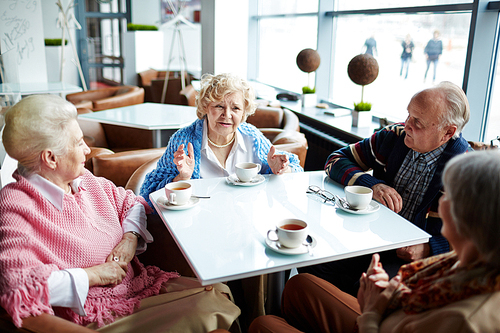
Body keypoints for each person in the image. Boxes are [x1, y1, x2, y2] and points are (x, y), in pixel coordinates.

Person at [0, 95, 240, 332]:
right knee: (210, 307)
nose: (87, 150)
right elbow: (18, 287)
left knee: (219, 290)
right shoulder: (16, 204)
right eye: (78, 142)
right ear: (50, 158)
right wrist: (93, 275)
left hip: (136, 288)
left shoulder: (84, 180)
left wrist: (129, 238)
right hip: (97, 314)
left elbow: (131, 203)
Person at [249, 149, 500, 333]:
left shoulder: (467, 322)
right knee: (299, 284)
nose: (442, 203)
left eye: (450, 196)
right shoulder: (472, 257)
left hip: (374, 324)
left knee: (262, 324)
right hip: (387, 317)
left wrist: (371, 311)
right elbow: (337, 159)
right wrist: (387, 294)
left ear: (470, 219)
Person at [298, 81, 471, 296]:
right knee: (310, 261)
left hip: (415, 260)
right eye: (408, 115)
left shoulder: (468, 173)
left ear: (448, 132)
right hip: (371, 240)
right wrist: (373, 185)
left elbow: (477, 240)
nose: (407, 124)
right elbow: (335, 160)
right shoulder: (394, 136)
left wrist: (429, 248)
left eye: (418, 122)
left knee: (368, 290)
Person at [140, 72, 303, 206]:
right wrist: (181, 178)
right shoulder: (183, 140)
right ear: (205, 107)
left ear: (243, 113)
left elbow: (295, 169)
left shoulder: (251, 137)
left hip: (242, 222)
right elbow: (148, 194)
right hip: (197, 224)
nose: (227, 115)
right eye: (219, 106)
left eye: (236, 108)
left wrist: (282, 169)